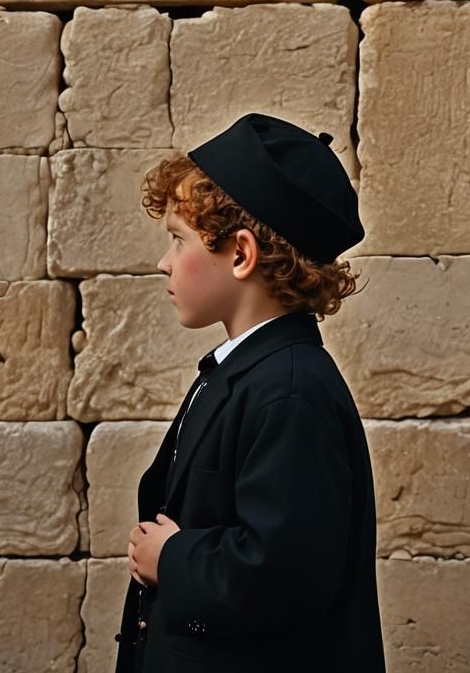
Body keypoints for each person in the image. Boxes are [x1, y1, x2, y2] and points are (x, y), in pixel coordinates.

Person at [113, 112, 386, 673]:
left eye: (177, 240)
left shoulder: (289, 392)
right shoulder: (245, 372)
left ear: (240, 254)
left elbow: (290, 570)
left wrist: (174, 559)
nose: (163, 262)